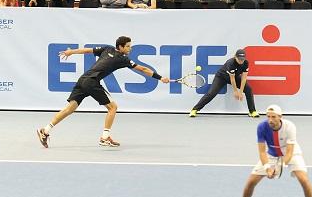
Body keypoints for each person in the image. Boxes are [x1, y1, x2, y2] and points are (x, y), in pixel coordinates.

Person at [36, 36, 170, 149]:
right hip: (92, 82)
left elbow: (87, 50)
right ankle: (104, 137)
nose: (130, 49)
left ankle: (45, 130)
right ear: (121, 47)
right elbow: (142, 69)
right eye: (128, 46)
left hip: (82, 80)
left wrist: (72, 52)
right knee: (113, 107)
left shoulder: (107, 48)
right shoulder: (123, 59)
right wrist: (160, 78)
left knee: (69, 109)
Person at [235, 105, 312, 197]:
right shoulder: (261, 127)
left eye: (273, 117)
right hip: (271, 155)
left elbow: (289, 152)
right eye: (268, 116)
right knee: (251, 182)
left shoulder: (289, 127)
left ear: (280, 117)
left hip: (291, 153)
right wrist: (267, 167)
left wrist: (278, 167)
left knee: (304, 180)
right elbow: (261, 151)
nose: (270, 120)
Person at [189, 49, 259, 118]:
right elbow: (232, 79)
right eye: (239, 59)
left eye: (242, 59)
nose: (241, 61)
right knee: (211, 93)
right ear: (235, 57)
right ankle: (195, 109)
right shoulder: (230, 63)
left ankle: (252, 111)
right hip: (221, 77)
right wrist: (235, 91)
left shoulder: (246, 63)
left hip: (235, 77)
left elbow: (244, 78)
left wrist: (241, 91)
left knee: (248, 89)